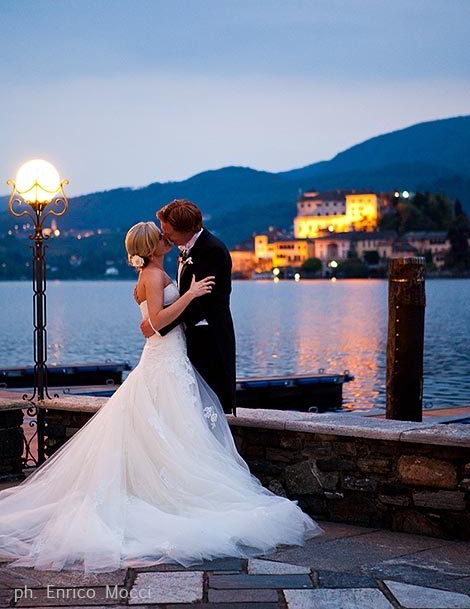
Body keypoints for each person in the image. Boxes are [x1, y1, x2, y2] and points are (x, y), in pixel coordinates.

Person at [0, 221, 321, 573]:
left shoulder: (157, 271)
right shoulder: (153, 276)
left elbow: (154, 322)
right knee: (172, 429)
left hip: (170, 358)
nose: (165, 238)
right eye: (159, 236)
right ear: (150, 247)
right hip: (163, 361)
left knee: (174, 431)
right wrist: (191, 295)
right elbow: (155, 322)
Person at [140, 199, 236, 414]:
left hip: (209, 340)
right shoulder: (186, 248)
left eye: (169, 232)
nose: (166, 237)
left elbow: (201, 303)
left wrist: (158, 325)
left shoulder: (213, 251)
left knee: (209, 408)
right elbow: (184, 295)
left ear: (187, 230)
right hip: (189, 338)